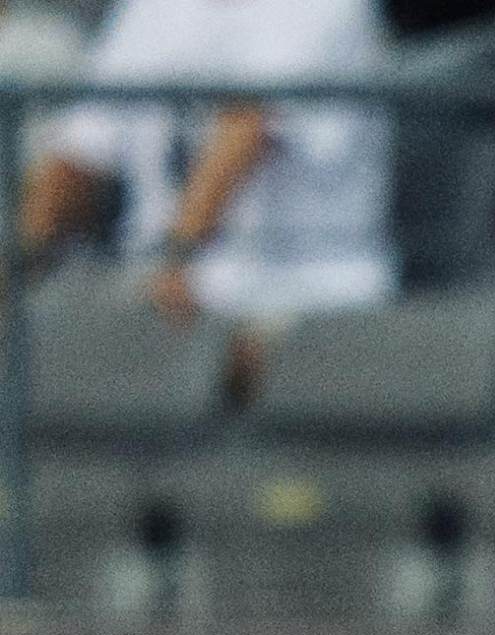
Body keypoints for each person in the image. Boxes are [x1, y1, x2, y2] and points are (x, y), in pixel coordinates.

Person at [15, 0, 395, 363]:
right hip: (163, 291)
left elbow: (247, 128)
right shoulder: (147, 9)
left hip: (304, 291)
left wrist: (176, 262)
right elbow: (79, 154)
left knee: (211, 356)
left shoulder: (330, 5)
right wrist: (13, 272)